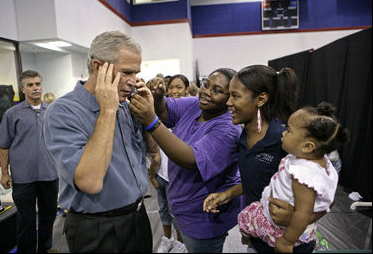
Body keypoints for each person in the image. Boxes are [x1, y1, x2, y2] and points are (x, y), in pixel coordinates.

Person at [42, 30, 157, 253]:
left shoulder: (125, 104)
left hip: (137, 217)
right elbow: (90, 182)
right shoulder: (63, 112)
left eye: (137, 73)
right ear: (98, 67)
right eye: (127, 72)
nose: (134, 82)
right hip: (97, 228)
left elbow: (151, 151)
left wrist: (149, 117)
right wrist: (107, 110)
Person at [203, 65, 329, 253]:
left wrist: (299, 217)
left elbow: (326, 191)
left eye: (235, 96)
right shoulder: (244, 135)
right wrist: (227, 194)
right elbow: (260, 181)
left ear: (261, 99)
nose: (228, 102)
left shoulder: (286, 140)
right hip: (259, 241)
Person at [129, 68, 243, 253]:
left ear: (231, 98)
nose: (206, 92)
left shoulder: (228, 129)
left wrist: (151, 122)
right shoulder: (196, 105)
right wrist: (158, 97)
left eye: (217, 90)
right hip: (183, 210)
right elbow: (165, 111)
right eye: (206, 85)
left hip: (203, 219)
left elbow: (190, 159)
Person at [237, 101, 350, 253]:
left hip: (280, 227)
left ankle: (250, 236)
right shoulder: (323, 164)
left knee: (244, 217)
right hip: (296, 226)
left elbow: (303, 213)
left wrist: (286, 241)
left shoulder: (302, 175)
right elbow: (328, 202)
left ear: (307, 146)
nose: (283, 133)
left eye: (289, 130)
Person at [0, 70, 59, 253]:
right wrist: (4, 173)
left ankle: (45, 248)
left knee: (48, 215)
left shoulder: (52, 111)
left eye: (37, 84)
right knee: (26, 220)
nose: (35, 88)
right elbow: (3, 146)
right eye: (30, 85)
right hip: (23, 178)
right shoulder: (12, 114)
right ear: (23, 89)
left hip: (49, 174)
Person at [147, 75, 188, 253]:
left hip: (177, 176)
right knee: (163, 209)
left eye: (179, 87)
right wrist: (153, 173)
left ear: (187, 90)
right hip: (161, 172)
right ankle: (167, 239)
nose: (174, 91)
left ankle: (180, 242)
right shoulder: (161, 110)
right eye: (171, 87)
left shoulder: (188, 114)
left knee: (177, 213)